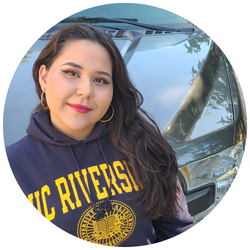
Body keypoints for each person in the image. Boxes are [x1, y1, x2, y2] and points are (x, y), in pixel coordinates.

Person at [6, 23, 193, 246]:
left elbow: (176, 229)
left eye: (100, 80)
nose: (86, 91)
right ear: (44, 78)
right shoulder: (14, 167)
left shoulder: (142, 143)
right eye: (71, 73)